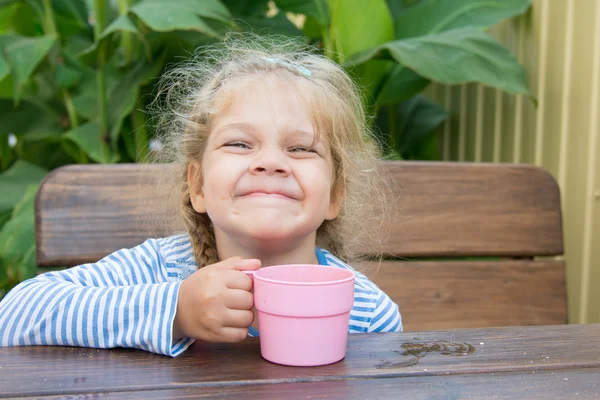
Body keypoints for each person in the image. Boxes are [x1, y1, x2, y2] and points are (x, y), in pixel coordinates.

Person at [0, 34, 402, 357]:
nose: (270, 162)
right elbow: (14, 314)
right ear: (197, 186)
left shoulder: (367, 312)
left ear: (335, 195)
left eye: (300, 148)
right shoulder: (160, 270)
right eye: (240, 144)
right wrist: (175, 310)